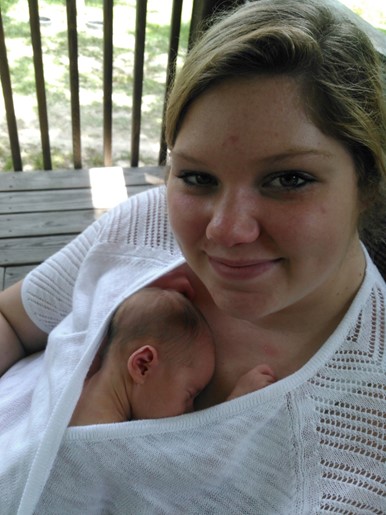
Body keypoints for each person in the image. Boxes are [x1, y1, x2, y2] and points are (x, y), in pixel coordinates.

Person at [0, 0, 385, 512]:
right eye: (197, 176)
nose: (225, 231)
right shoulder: (144, 224)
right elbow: (13, 318)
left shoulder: (366, 429)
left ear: (367, 184)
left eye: (289, 179)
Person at [69, 286, 276, 425]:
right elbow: (180, 476)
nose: (191, 409)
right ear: (143, 366)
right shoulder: (101, 431)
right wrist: (235, 409)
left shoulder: (86, 388)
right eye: (189, 395)